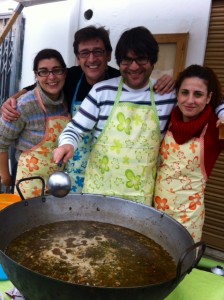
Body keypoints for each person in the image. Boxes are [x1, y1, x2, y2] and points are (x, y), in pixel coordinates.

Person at [1, 25, 175, 193]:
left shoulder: (119, 78)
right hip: (68, 169)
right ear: (78, 57)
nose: (91, 59)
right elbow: (40, 83)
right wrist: (13, 99)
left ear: (108, 55)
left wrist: (174, 81)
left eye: (97, 52)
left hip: (114, 174)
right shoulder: (69, 77)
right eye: (85, 53)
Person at [53, 26, 179, 205]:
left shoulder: (167, 95)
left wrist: (180, 81)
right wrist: (66, 144)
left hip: (140, 197)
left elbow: (205, 99)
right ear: (119, 62)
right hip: (97, 192)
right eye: (127, 60)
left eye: (141, 59)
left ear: (152, 60)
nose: (134, 67)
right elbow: (74, 129)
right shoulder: (102, 91)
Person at [153, 64, 224, 243]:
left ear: (209, 98)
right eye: (184, 92)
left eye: (198, 94)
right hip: (156, 212)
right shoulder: (168, 117)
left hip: (188, 220)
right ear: (177, 94)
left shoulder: (216, 128)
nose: (190, 100)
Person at [0, 48, 70, 198]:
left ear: (64, 73)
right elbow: (1, 142)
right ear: (36, 75)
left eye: (57, 70)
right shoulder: (23, 105)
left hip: (56, 184)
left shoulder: (65, 100)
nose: (51, 77)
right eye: (43, 71)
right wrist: (6, 177)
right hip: (28, 184)